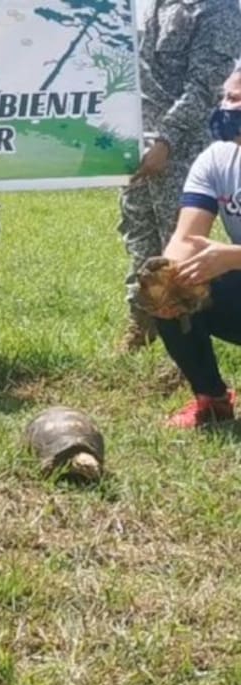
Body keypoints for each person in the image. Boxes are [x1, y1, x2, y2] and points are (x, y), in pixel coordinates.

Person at [117, 0, 241, 354]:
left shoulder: (217, 10)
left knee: (177, 243)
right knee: (140, 236)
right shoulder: (150, 6)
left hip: (184, 144)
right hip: (139, 140)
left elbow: (206, 86)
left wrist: (166, 139)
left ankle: (184, 339)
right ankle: (142, 322)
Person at [152, 65, 241, 428]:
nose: (225, 107)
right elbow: (186, 238)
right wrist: (168, 284)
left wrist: (233, 257)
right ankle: (212, 400)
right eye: (225, 96)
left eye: (235, 99)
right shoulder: (217, 159)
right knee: (168, 288)